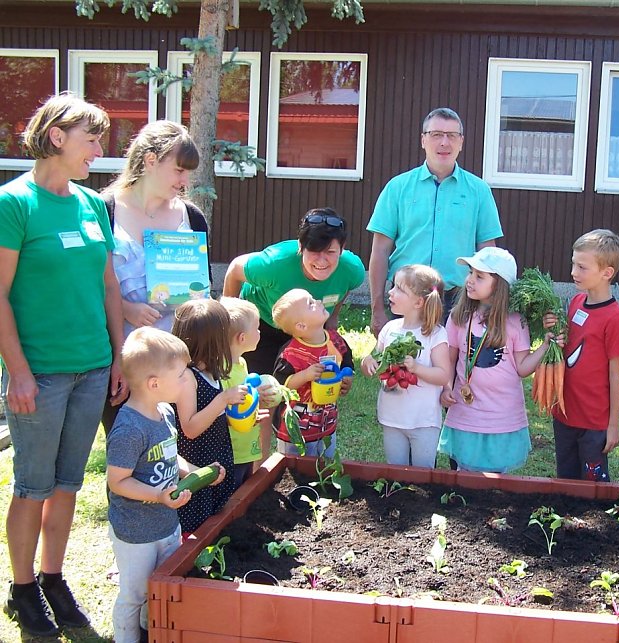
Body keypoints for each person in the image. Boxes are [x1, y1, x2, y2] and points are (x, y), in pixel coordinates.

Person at [0, 93, 123, 637]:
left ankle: (54, 578)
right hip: (41, 373)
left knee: (69, 483)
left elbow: (108, 286)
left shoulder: (93, 204)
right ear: (57, 137)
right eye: (91, 139)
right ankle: (22, 589)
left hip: (93, 367)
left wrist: (119, 356)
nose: (99, 151)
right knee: (32, 485)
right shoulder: (14, 203)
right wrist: (19, 371)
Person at [106, 327, 225, 643]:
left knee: (159, 590)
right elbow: (117, 481)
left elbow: (171, 457)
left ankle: (151, 633)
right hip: (136, 531)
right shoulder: (129, 429)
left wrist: (199, 470)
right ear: (154, 383)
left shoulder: (163, 412)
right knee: (135, 594)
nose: (188, 380)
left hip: (166, 523)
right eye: (182, 375)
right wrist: (158, 495)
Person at [100, 120, 207, 433]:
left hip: (178, 361)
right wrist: (127, 308)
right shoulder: (103, 209)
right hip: (122, 357)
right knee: (127, 452)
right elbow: (87, 280)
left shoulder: (191, 217)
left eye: (188, 171)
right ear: (149, 160)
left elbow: (201, 292)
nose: (185, 179)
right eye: (178, 169)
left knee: (173, 456)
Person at [367, 107, 504, 336]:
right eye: (436, 134)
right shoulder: (397, 187)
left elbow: (488, 253)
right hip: (406, 297)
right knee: (401, 368)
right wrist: (377, 307)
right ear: (423, 140)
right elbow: (380, 251)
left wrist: (488, 304)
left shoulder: (478, 190)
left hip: (459, 300)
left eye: (452, 136)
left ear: (461, 142)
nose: (444, 143)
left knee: (452, 369)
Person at [439, 247, 557, 473]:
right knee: (465, 474)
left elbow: (522, 368)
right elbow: (449, 360)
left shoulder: (515, 321)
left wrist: (544, 346)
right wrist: (445, 388)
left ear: (500, 285)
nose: (470, 280)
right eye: (471, 273)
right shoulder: (458, 317)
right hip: (467, 412)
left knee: (495, 479)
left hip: (503, 415)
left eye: (479, 276)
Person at [222, 208, 364, 376]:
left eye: (330, 252)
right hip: (264, 322)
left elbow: (344, 287)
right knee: (264, 384)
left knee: (312, 379)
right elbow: (234, 270)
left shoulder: (352, 270)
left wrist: (333, 316)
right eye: (313, 251)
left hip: (310, 321)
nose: (321, 260)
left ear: (342, 249)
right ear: (300, 246)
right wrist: (227, 323)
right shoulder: (273, 264)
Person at [547, 230, 619, 482]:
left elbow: (616, 374)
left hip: (594, 421)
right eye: (573, 263)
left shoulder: (615, 318)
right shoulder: (576, 302)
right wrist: (554, 331)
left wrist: (613, 425)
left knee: (592, 485)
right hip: (565, 412)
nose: (573, 272)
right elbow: (569, 348)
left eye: (582, 267)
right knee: (566, 480)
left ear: (607, 273)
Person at [361, 265, 451, 468]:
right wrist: (367, 362)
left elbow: (443, 375)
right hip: (391, 416)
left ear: (419, 302)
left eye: (399, 289)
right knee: (395, 470)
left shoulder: (435, 334)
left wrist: (416, 368)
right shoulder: (390, 329)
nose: (391, 292)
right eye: (393, 286)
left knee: (423, 472)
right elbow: (374, 358)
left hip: (424, 421)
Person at [171, 299, 246, 534]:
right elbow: (190, 428)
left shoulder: (211, 371)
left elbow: (214, 415)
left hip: (215, 457)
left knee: (214, 517)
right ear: (216, 340)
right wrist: (223, 400)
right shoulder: (187, 378)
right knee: (195, 523)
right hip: (196, 465)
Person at [271, 289, 355, 458]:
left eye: (313, 298)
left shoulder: (336, 342)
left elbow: (347, 365)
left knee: (327, 466)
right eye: (310, 304)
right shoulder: (290, 354)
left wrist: (347, 380)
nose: (317, 301)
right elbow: (281, 387)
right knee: (295, 468)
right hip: (295, 430)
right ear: (301, 326)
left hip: (327, 422)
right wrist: (305, 375)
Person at [219, 297, 279, 485]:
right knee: (234, 497)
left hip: (247, 445)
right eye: (257, 329)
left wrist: (256, 399)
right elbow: (226, 408)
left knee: (245, 489)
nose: (261, 333)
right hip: (232, 450)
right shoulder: (222, 372)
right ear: (242, 338)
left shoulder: (241, 363)